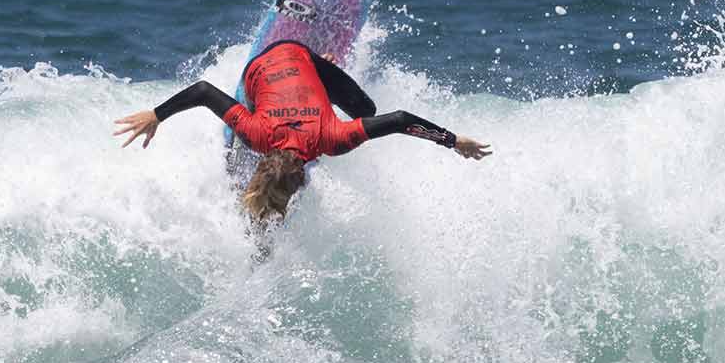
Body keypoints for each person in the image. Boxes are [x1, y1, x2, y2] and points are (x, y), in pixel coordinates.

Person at [113, 40, 491, 223]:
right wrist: (156, 115)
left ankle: (320, 68)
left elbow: (397, 119)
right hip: (275, 60)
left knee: (367, 113)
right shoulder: (257, 134)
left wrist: (454, 141)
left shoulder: (333, 139)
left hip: (284, 58)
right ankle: (320, 73)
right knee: (365, 110)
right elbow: (202, 91)